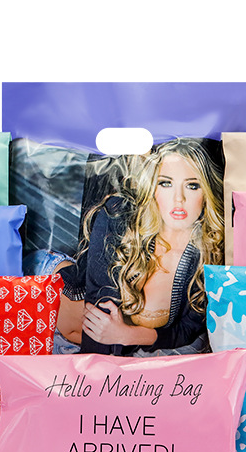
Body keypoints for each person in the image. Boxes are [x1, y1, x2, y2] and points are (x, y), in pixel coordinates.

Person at [57, 138, 224, 355]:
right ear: (152, 188)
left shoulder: (209, 254)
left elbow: (188, 329)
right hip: (52, 313)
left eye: (192, 186)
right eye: (165, 183)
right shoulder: (118, 217)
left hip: (112, 347)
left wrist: (128, 335)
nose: (179, 199)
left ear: (206, 191)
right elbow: (99, 314)